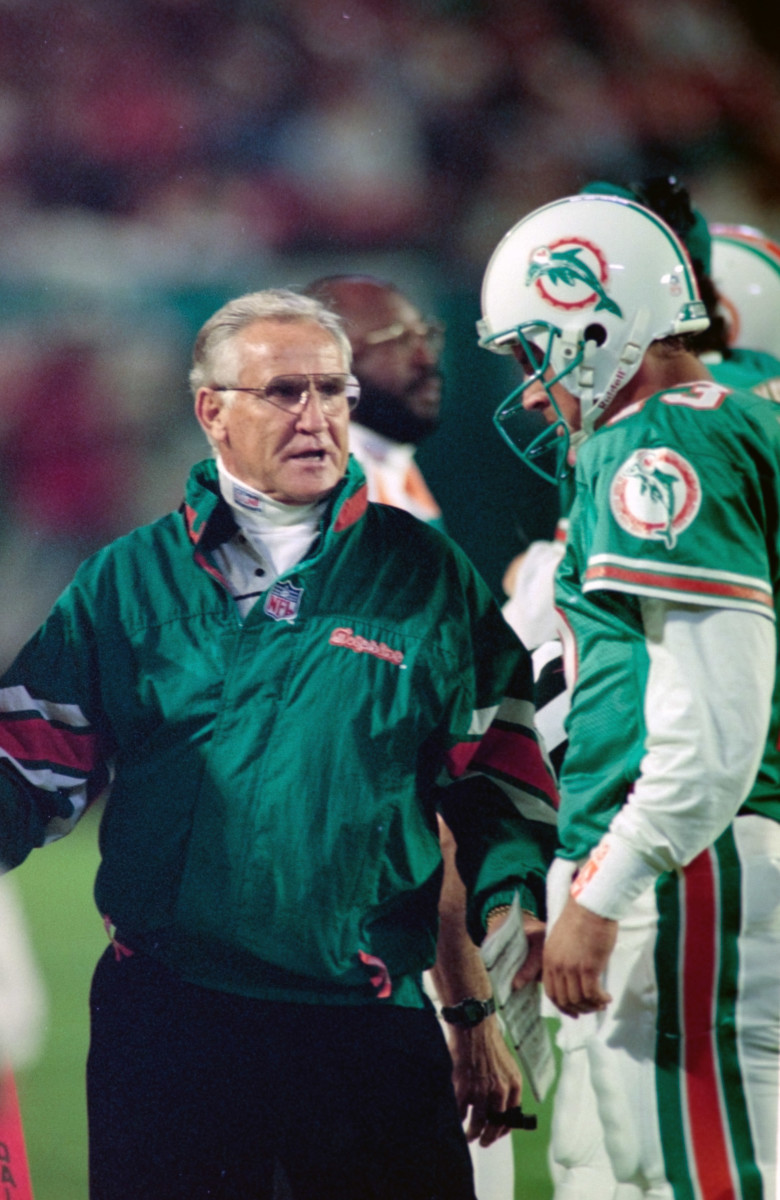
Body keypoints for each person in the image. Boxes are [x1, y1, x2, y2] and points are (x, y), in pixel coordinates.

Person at [0, 288, 559, 1200]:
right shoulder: (127, 582)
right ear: (210, 411)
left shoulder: (422, 576)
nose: (316, 417)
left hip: (363, 1027)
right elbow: (30, 763)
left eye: (332, 391)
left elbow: (500, 776)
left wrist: (503, 921)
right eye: (283, 392)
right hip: (170, 1027)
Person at [478, 192, 780, 1199]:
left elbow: (713, 737)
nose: (530, 394)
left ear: (594, 324)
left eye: (533, 356)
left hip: (691, 864)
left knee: (698, 1173)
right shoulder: (727, 421)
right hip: (695, 856)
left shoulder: (662, 445)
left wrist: (602, 890)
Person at [303, 272, 523, 1199]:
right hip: (388, 937)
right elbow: (395, 766)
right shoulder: (347, 498)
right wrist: (465, 992)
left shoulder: (393, 473)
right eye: (401, 333)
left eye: (428, 326)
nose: (429, 350)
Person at [303, 273, 445, 525]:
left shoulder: (390, 461)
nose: (426, 358)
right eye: (402, 339)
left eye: (426, 336)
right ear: (333, 361)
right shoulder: (326, 485)